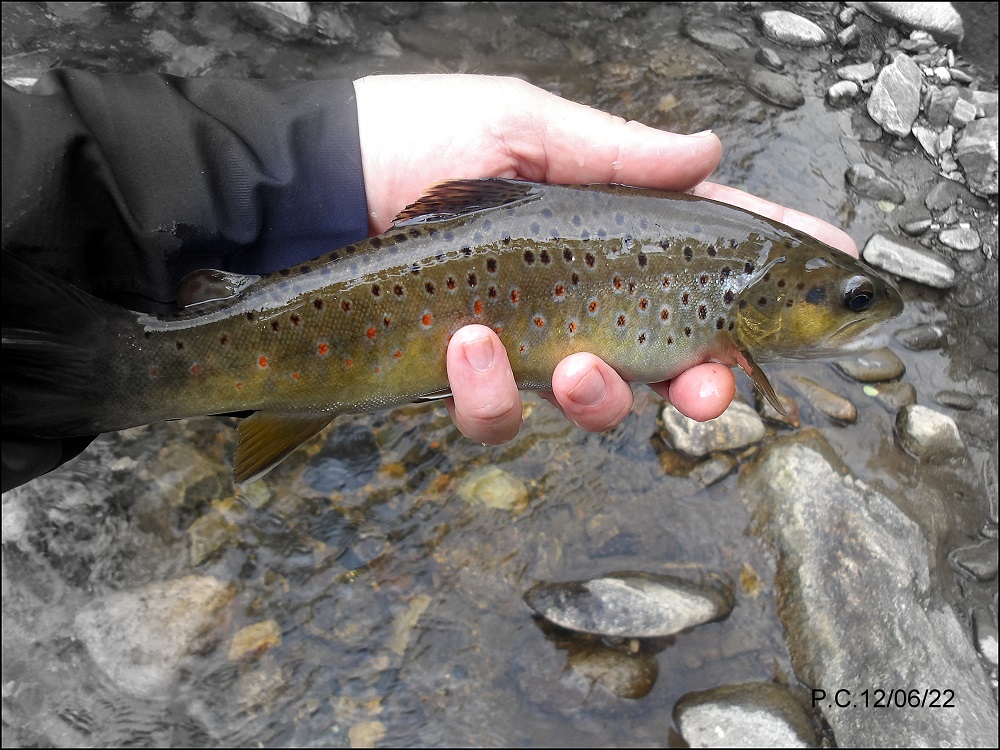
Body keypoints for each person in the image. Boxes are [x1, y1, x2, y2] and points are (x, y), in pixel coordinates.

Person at [1, 71, 857, 491]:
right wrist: (333, 168)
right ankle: (145, 376)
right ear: (768, 303)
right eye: (851, 302)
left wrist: (332, 169)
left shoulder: (742, 259)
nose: (863, 313)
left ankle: (187, 377)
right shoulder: (741, 273)